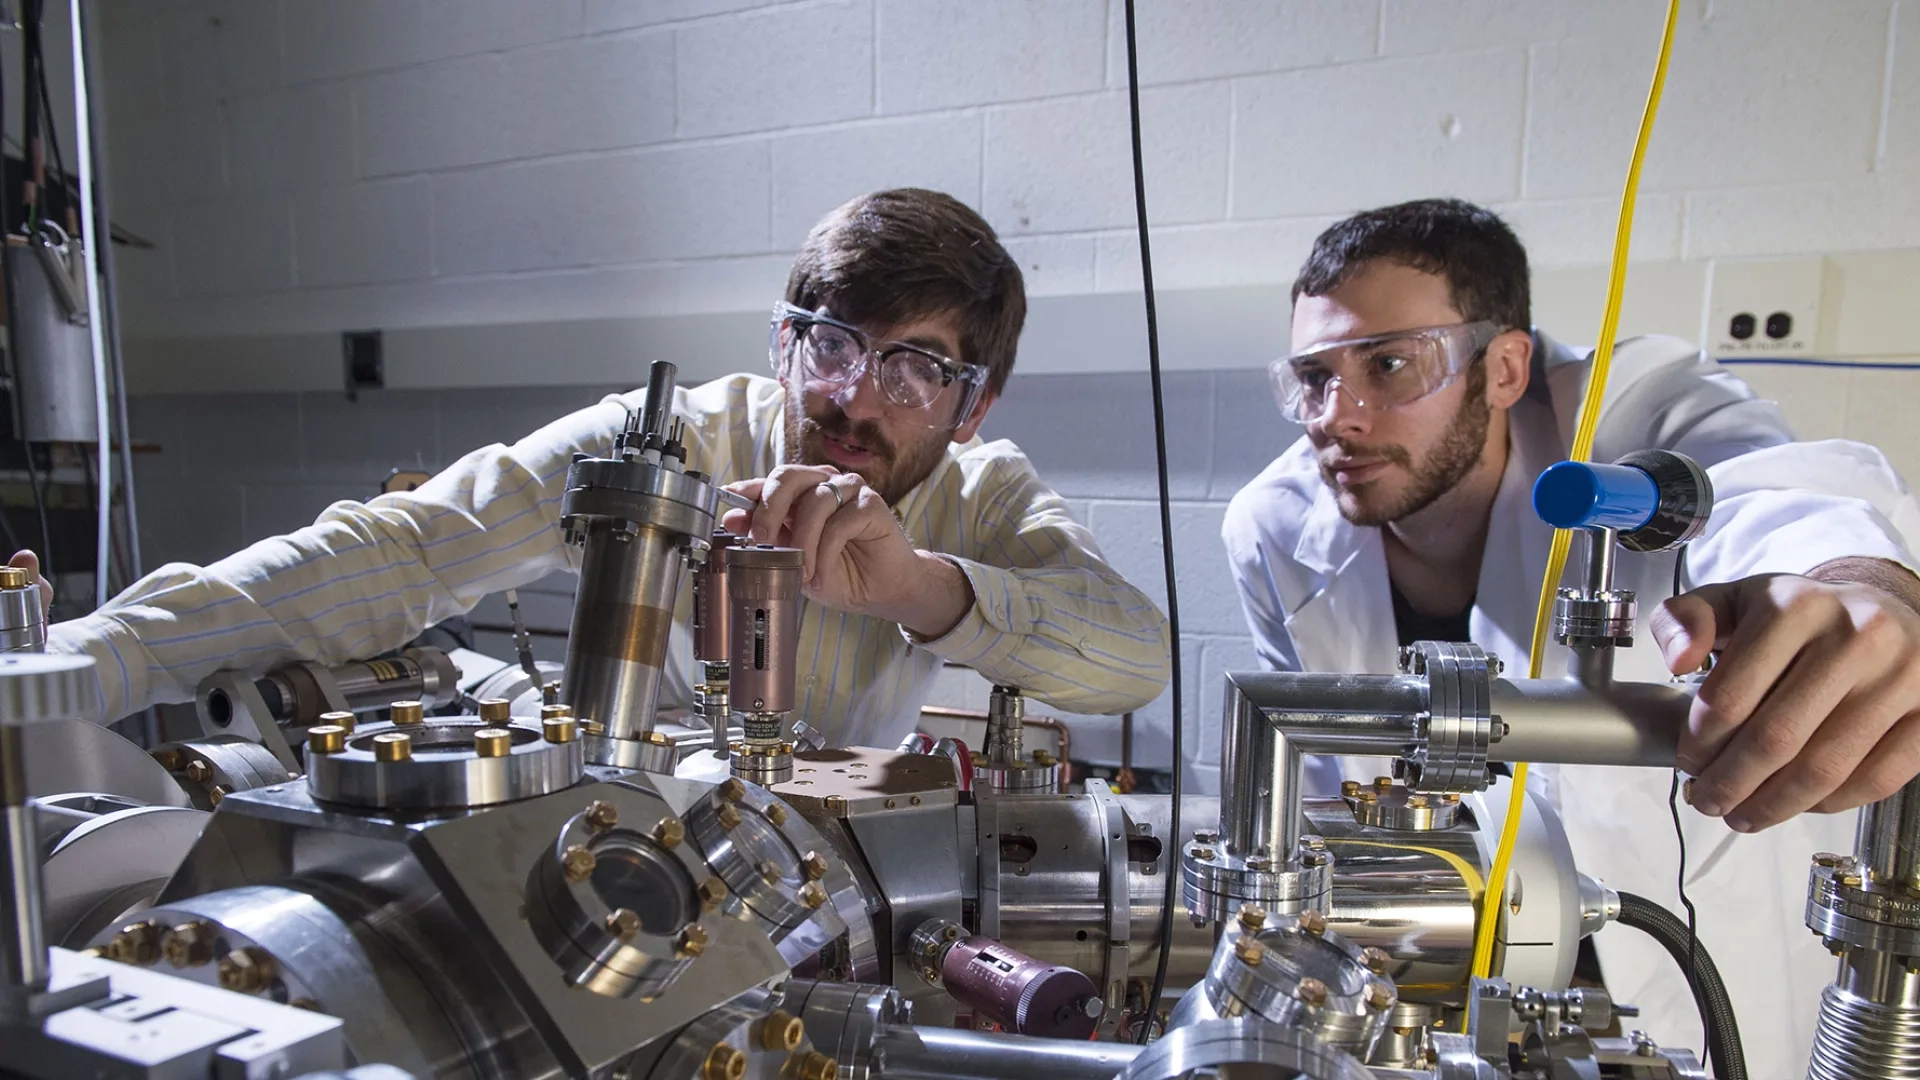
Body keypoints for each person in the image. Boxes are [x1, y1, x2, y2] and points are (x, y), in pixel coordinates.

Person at [31, 188, 1172, 749]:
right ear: (784, 342)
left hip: (863, 879)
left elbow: (1133, 657)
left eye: (914, 369)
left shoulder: (986, 494)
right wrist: (88, 663)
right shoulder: (671, 441)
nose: (852, 395)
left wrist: (918, 585)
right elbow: (405, 550)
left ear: (977, 405)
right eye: (832, 344)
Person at [1222, 198, 1920, 1068]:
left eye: (1391, 364)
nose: (1338, 415)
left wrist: (1854, 582)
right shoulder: (1274, 527)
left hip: (1669, 956)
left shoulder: (1632, 416)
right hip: (1436, 966)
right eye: (1314, 377)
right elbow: (1334, 808)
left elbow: (1772, 487)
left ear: (1506, 367)